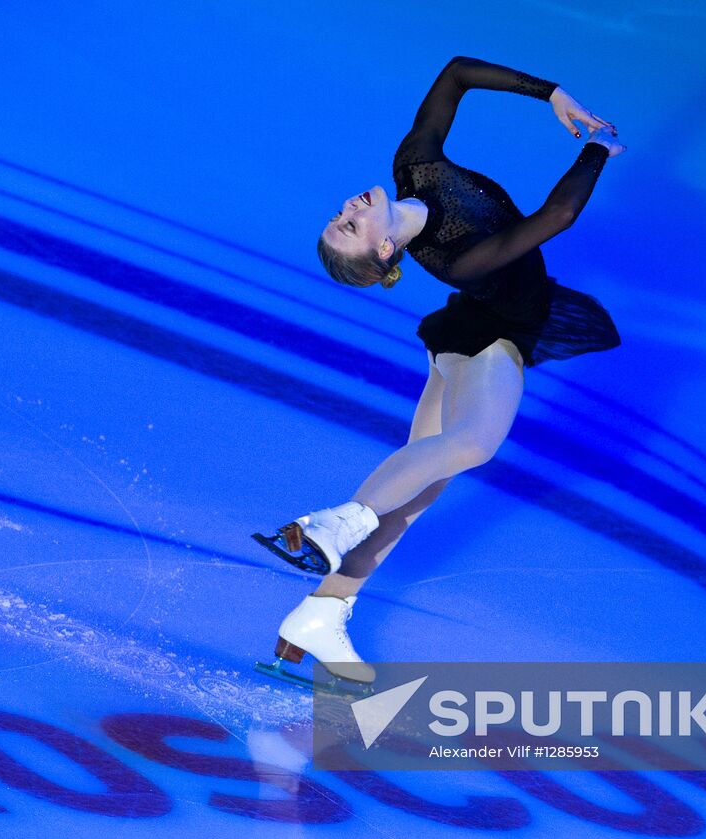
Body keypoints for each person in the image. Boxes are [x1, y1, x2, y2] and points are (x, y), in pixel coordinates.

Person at [253, 56, 625, 689]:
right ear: (381, 250)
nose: (347, 208)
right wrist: (597, 149)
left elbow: (455, 74)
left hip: (480, 324)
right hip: (492, 335)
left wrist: (551, 94)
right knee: (474, 443)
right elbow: (555, 218)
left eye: (338, 217)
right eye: (350, 226)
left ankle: (319, 614)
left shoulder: (414, 166)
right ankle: (334, 523)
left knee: (418, 488)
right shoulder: (461, 261)